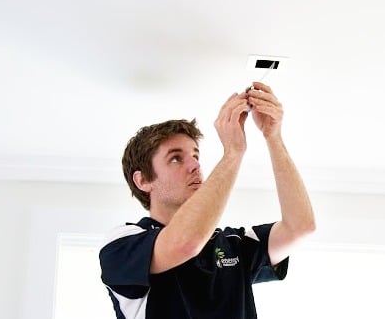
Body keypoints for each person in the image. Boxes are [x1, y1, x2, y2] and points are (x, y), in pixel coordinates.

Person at [99, 82, 316, 319]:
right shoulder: (123, 243)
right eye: (175, 159)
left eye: (195, 155)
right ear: (143, 181)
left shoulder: (233, 244)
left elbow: (301, 227)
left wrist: (273, 137)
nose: (195, 165)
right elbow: (185, 242)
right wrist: (233, 153)